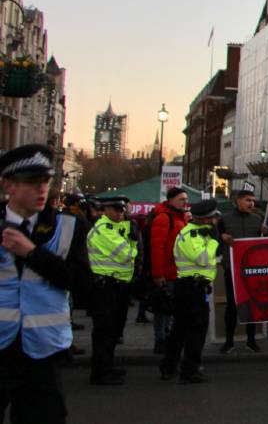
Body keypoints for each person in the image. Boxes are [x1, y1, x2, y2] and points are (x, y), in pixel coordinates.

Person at [0, 144, 91, 423]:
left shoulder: (68, 226)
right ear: (8, 185)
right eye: (30, 182)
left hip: (42, 352)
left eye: (45, 182)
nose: (41, 190)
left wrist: (33, 254)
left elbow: (83, 285)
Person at [159, 199, 222, 384]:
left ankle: (169, 367)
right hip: (191, 288)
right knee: (195, 330)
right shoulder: (192, 235)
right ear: (205, 219)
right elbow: (203, 259)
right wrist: (214, 241)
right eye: (213, 218)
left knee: (180, 329)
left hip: (193, 287)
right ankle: (189, 370)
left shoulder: (200, 234)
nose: (215, 222)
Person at [87, 196, 138, 385]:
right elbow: (126, 255)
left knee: (113, 330)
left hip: (117, 285)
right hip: (105, 286)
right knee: (104, 331)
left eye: (122, 210)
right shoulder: (103, 230)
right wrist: (132, 244)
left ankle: (107, 366)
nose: (120, 213)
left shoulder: (115, 228)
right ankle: (100, 371)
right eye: (116, 209)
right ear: (105, 209)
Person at [218, 189, 265, 354]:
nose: (251, 203)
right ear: (237, 201)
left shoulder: (258, 219)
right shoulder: (225, 219)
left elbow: (267, 243)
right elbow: (214, 238)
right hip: (232, 269)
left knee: (251, 305)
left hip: (251, 269)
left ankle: (251, 340)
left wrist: (267, 232)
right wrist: (221, 236)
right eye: (247, 200)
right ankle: (229, 341)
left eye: (253, 200)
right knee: (231, 306)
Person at [148, 187, 189, 354]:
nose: (185, 202)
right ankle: (161, 340)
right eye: (181, 199)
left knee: (172, 309)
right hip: (168, 272)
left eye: (186, 199)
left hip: (178, 271)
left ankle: (169, 339)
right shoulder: (164, 218)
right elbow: (157, 248)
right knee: (163, 309)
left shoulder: (181, 218)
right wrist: (158, 274)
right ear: (171, 200)